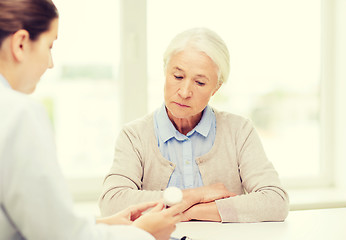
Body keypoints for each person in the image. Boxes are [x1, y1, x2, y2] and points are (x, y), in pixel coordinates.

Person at [0, 0, 191, 239]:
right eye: (49, 46)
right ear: (20, 44)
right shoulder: (18, 113)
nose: (50, 64)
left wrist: (103, 224)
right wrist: (143, 234)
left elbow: (35, 222)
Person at [99, 27, 290, 223]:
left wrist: (187, 211)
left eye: (199, 82)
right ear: (165, 72)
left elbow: (275, 202)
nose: (184, 92)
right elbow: (112, 204)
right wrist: (198, 195)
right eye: (178, 77)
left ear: (216, 88)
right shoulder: (134, 135)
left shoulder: (239, 131)